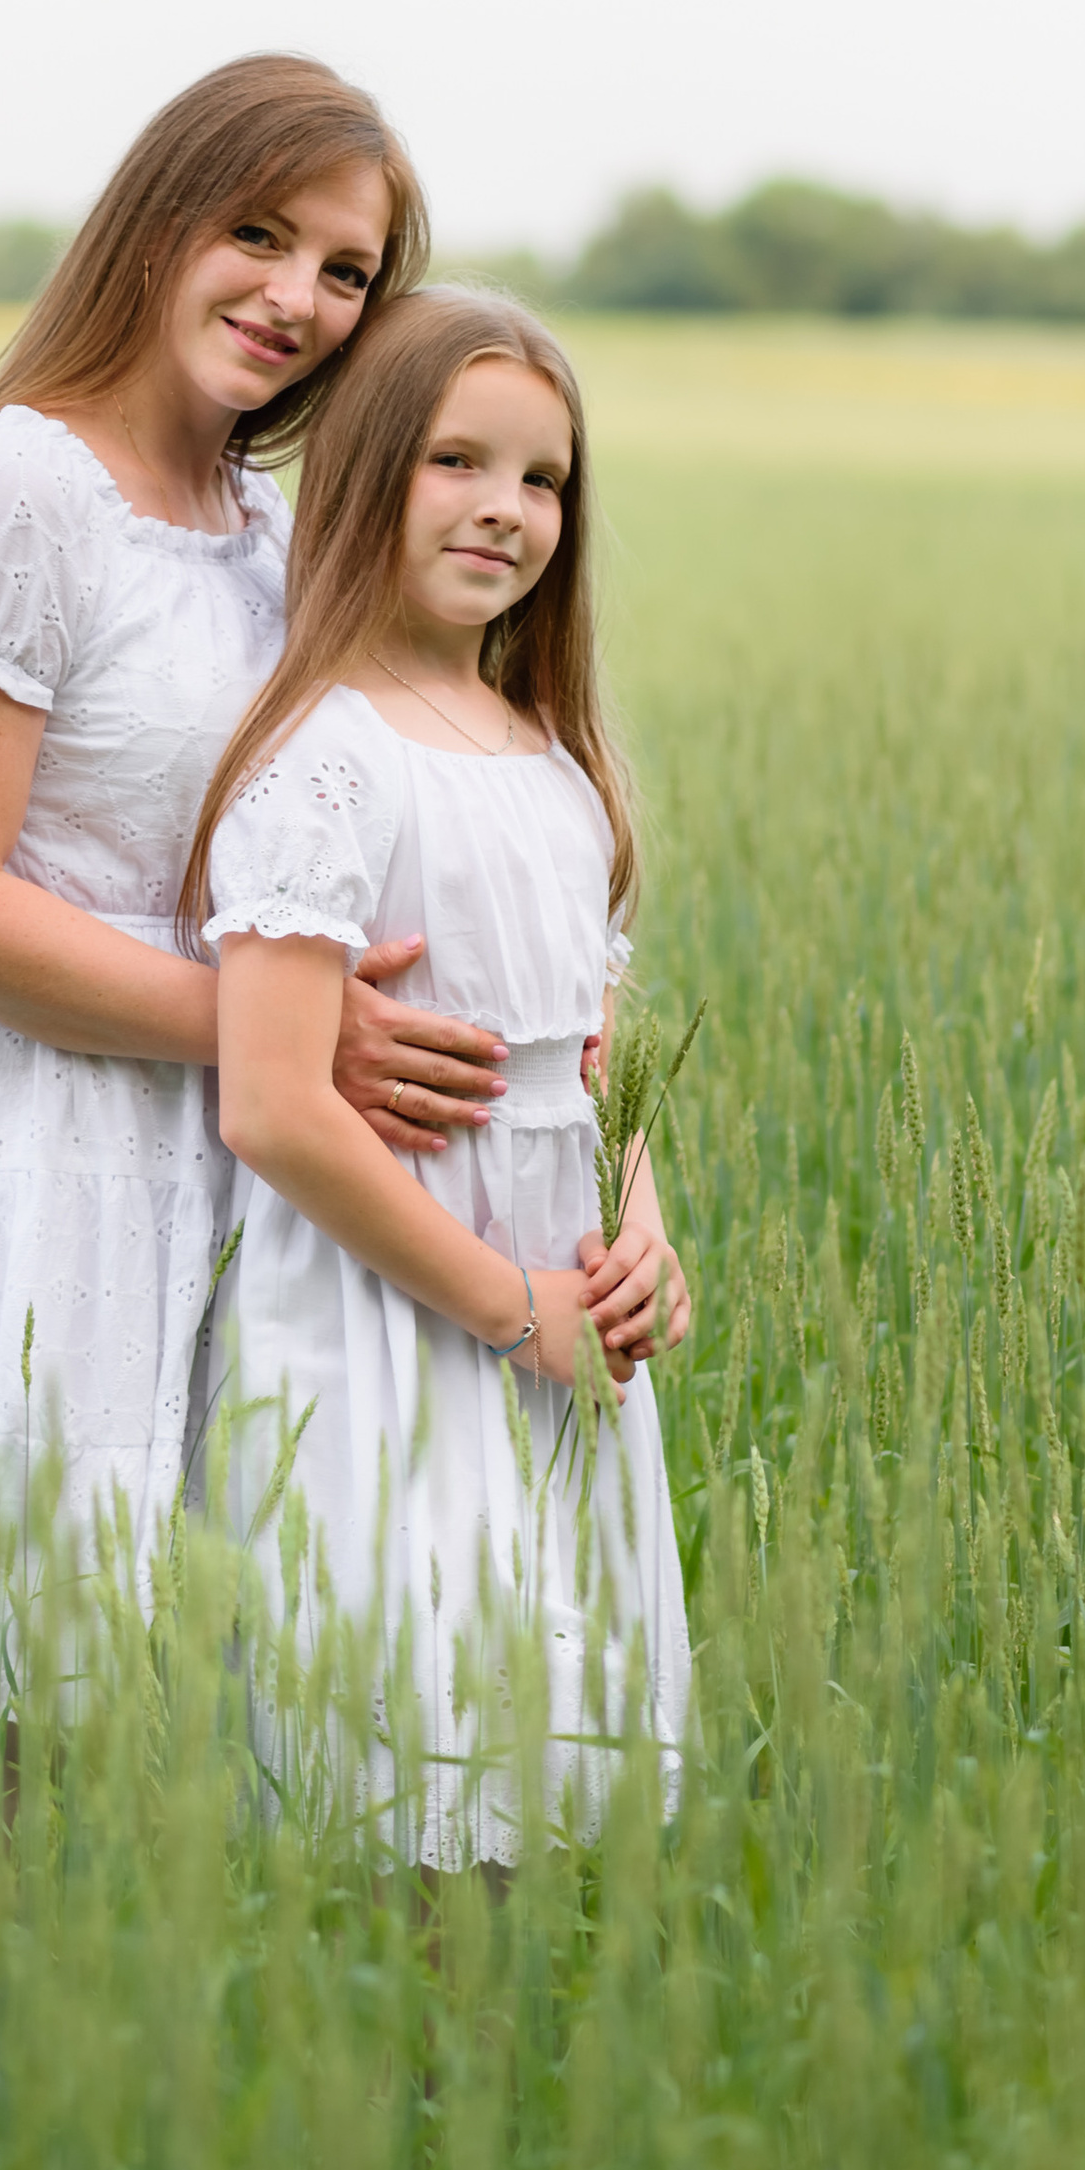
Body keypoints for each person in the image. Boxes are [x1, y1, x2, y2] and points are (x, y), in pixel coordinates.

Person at [0, 56, 511, 1697]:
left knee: (216, 1761)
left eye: (348, 270)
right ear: (159, 218)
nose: (297, 296)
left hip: (268, 1183)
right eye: (259, 231)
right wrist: (276, 1039)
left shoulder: (269, 531)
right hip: (43, 1176)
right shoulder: (17, 489)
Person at [184, 286, 694, 1861]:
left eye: (543, 479)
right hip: (391, 1315)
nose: (506, 508)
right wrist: (501, 1302)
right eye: (457, 461)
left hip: (556, 1319)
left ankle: (483, 2088)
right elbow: (272, 1101)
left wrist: (641, 1241)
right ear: (364, 478)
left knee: (544, 1747)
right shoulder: (330, 757)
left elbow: (594, 1074)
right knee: (401, 1741)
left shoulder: (557, 759)